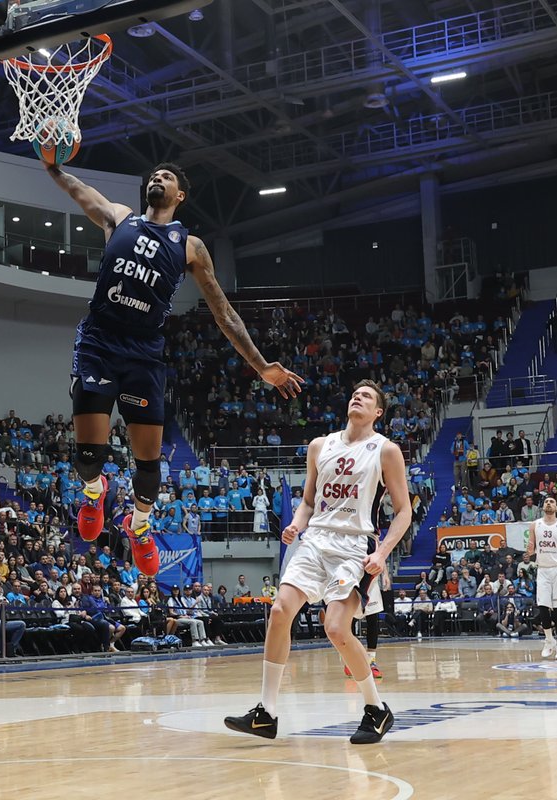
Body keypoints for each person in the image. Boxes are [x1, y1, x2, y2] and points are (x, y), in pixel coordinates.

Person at [46, 162, 301, 578]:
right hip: (99, 343)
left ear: (180, 195)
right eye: (153, 176)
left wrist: (261, 366)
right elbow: (78, 189)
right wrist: (52, 165)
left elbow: (224, 313)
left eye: (166, 177)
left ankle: (140, 525)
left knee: (149, 470)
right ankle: (95, 492)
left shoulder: (190, 246)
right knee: (88, 458)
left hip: (143, 354)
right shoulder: (119, 218)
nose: (156, 179)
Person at [225, 381, 411, 744]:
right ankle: (267, 713)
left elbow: (404, 511)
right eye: (354, 392)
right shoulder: (319, 446)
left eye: (367, 396)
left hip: (354, 546)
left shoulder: (386, 450)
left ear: (378, 412)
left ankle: (376, 709)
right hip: (315, 541)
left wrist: (382, 553)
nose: (357, 396)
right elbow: (309, 501)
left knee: (337, 629)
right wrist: (297, 522)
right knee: (279, 612)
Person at [524, 497, 557, 660]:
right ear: (542, 507)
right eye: (546, 502)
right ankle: (549, 640)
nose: (549, 503)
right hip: (543, 569)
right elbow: (531, 548)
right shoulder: (534, 525)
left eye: (552, 501)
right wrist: (529, 552)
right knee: (543, 607)